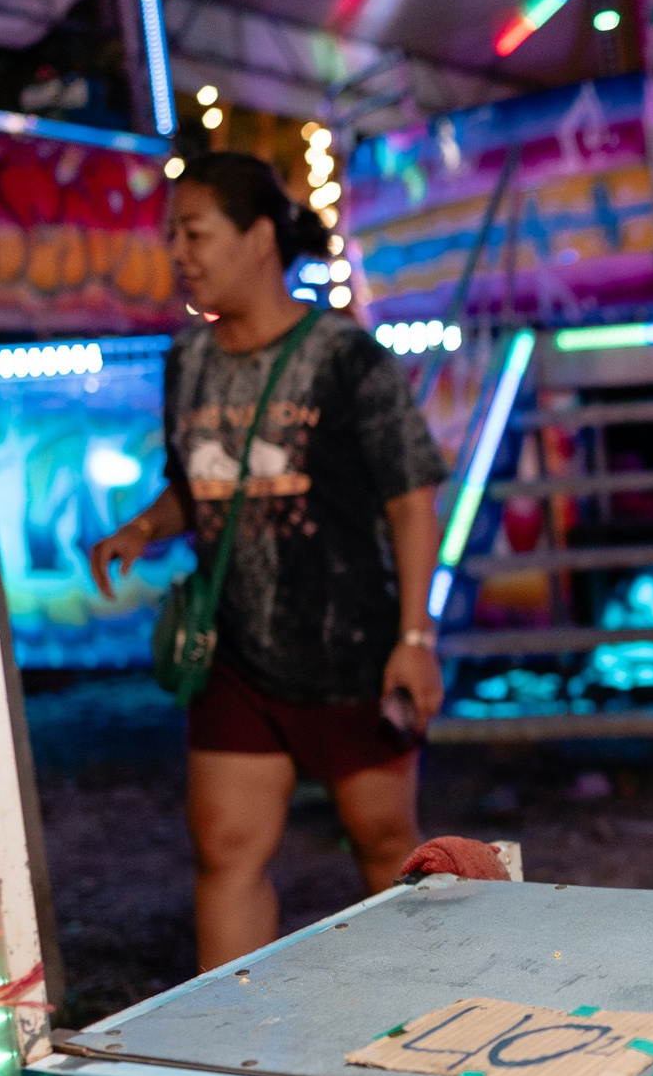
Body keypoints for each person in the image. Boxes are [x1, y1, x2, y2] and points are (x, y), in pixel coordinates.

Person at [89, 153, 449, 971]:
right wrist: (144, 527)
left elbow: (410, 498)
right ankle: (230, 1048)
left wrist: (414, 638)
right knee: (225, 848)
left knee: (385, 844)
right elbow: (200, 481)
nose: (179, 251)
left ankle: (420, 1013)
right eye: (172, 234)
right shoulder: (187, 360)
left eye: (195, 232)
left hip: (349, 648)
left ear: (258, 238)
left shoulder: (346, 358)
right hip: (236, 654)